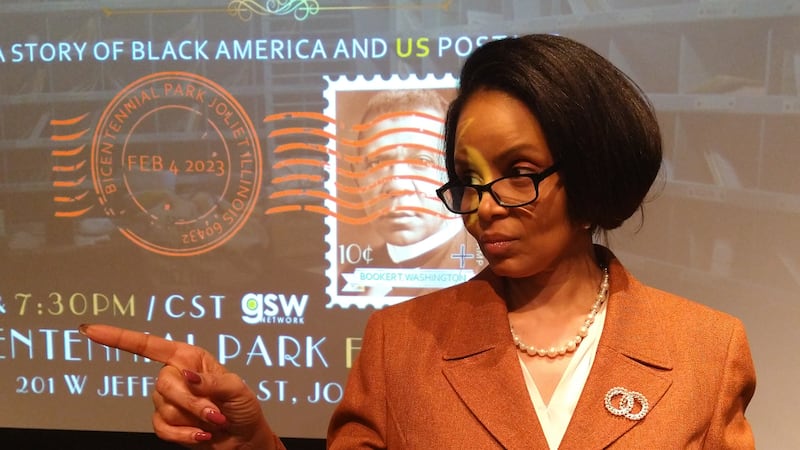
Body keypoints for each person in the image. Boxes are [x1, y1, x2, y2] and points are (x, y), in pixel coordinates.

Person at [80, 34, 756, 449]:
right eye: (467, 180)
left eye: (517, 174)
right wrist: (251, 440)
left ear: (592, 169)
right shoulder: (399, 342)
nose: (482, 208)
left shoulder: (705, 349)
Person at [337, 88, 480, 298]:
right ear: (357, 177)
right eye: (377, 162)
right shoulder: (350, 276)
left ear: (454, 173)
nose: (397, 186)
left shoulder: (485, 271)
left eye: (422, 161)